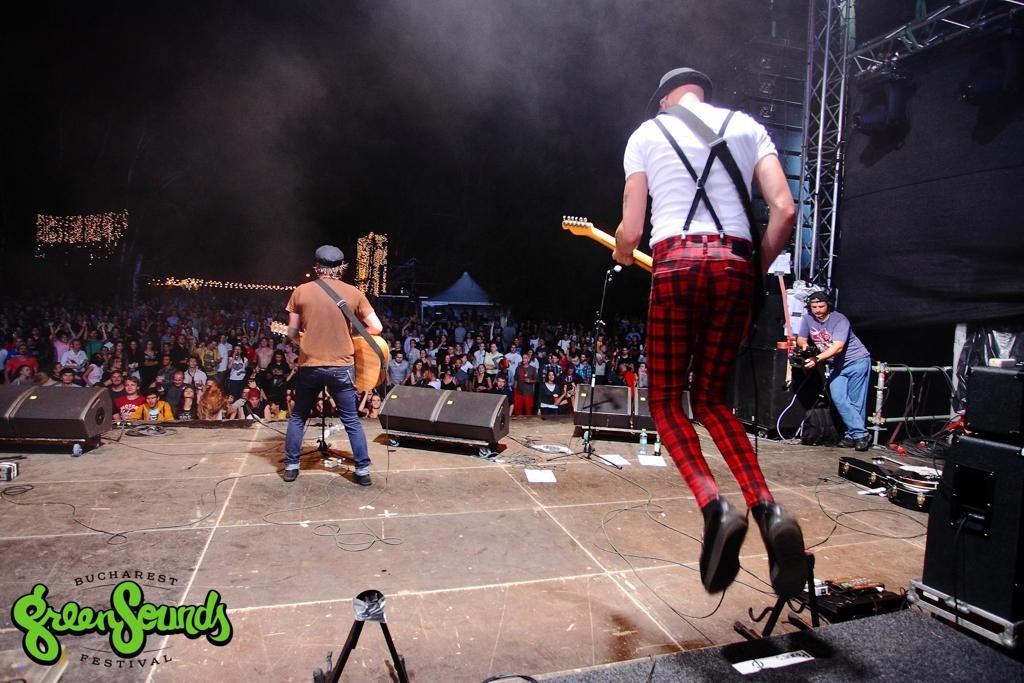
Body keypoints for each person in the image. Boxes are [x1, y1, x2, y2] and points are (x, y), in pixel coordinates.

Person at [612, 67, 804, 598]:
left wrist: (624, 250)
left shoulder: (647, 134)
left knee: (665, 402)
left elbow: (632, 229)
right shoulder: (747, 126)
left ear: (666, 99)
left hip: (675, 264)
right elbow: (785, 210)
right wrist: (750, 271)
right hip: (736, 266)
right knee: (713, 400)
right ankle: (767, 509)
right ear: (703, 94)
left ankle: (714, 505)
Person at [283, 245, 383, 485]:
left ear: (317, 266)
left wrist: (305, 341)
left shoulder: (300, 291)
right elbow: (376, 327)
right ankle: (362, 471)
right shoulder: (354, 293)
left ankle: (291, 467)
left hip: (310, 365)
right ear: (341, 268)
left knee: (298, 417)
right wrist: (352, 338)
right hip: (342, 366)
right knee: (351, 420)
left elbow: (292, 332)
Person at [797, 291, 872, 451]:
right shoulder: (807, 318)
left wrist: (816, 358)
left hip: (856, 361)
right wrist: (805, 346)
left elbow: (837, 347)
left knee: (855, 401)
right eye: (814, 306)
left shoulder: (840, 320)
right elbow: (801, 338)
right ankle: (860, 434)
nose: (817, 310)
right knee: (838, 398)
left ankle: (854, 436)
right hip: (836, 365)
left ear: (828, 305)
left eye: (821, 306)